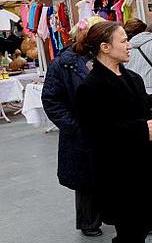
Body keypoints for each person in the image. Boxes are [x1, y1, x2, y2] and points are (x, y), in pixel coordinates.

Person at [75, 21, 152, 243]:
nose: (129, 46)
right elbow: (96, 132)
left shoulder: (133, 78)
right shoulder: (90, 87)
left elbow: (148, 110)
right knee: (130, 228)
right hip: (118, 173)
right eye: (124, 41)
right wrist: (141, 130)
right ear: (105, 47)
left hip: (145, 166)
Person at [42, 17, 105, 237]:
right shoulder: (63, 63)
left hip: (110, 128)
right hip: (82, 132)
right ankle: (89, 221)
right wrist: (74, 126)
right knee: (86, 179)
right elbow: (51, 100)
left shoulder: (106, 57)